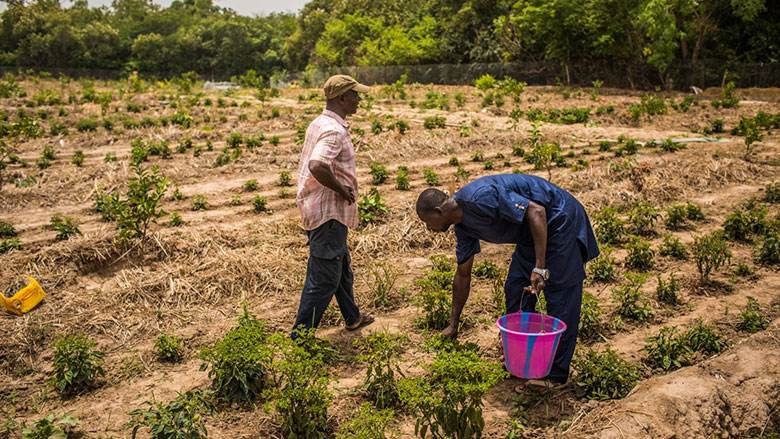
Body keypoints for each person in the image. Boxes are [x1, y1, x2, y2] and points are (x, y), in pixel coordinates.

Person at [415, 174, 599, 386]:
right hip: (531, 235)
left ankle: (555, 375)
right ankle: (522, 360)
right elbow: (462, 275)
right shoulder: (462, 227)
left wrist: (540, 267)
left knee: (561, 297)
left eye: (428, 222)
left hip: (558, 222)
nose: (430, 229)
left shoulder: (480, 197)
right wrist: (453, 323)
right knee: (516, 289)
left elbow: (537, 211)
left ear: (439, 212)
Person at [292, 75, 375, 337]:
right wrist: (343, 189)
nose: (358, 100)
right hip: (328, 214)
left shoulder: (320, 122)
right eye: (355, 95)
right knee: (324, 277)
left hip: (321, 209)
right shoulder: (334, 130)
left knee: (340, 266)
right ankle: (300, 336)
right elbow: (317, 165)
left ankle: (353, 316)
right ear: (341, 98)